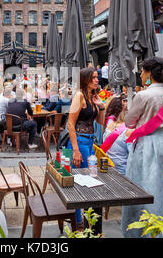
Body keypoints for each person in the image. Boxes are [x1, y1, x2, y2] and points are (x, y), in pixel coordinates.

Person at [121, 57, 163, 238]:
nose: (140, 73)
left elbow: (129, 122)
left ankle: (141, 231)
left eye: (142, 70)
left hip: (148, 144)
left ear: (149, 73)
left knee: (143, 188)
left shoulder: (143, 95)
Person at [66, 67, 105, 228]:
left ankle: (87, 221)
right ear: (86, 79)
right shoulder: (79, 95)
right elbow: (70, 123)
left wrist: (101, 106)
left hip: (90, 142)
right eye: (94, 78)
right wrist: (75, 150)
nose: (97, 80)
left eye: (97, 77)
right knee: (80, 181)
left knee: (90, 179)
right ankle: (79, 222)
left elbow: (101, 122)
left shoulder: (93, 97)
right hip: (80, 142)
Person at [102, 111, 134, 175]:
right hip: (122, 169)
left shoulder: (110, 126)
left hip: (107, 165)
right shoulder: (129, 131)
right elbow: (133, 156)